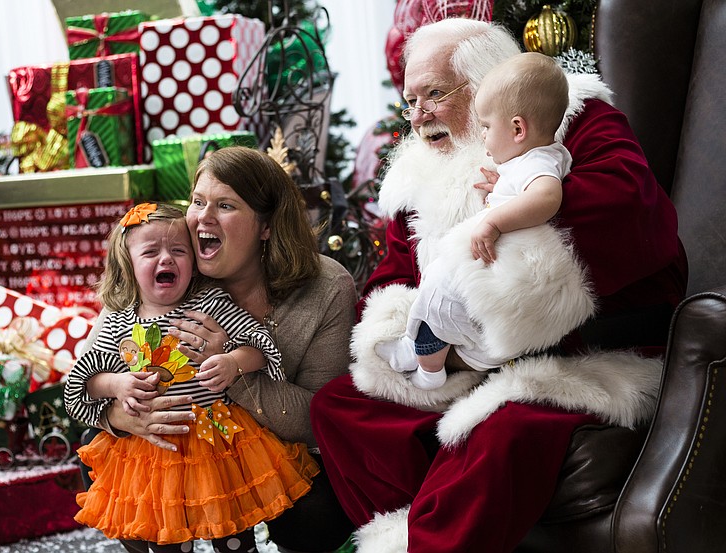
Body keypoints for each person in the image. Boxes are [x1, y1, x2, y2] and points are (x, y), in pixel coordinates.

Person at [310, 17, 687, 553]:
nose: (417, 117)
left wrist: (492, 277)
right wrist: (415, 343)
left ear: (489, 83)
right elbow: (394, 275)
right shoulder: (421, 173)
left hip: (578, 355)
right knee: (338, 406)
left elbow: (629, 208)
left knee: (502, 430)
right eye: (409, 100)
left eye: (434, 94)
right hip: (448, 360)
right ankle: (411, 529)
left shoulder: (573, 118)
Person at [72, 147, 357, 553]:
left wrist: (230, 367)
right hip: (178, 448)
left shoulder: (324, 287)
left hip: (272, 454)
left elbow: (319, 421)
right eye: (198, 202)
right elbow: (87, 376)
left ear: (266, 225)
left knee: (314, 515)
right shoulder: (162, 277)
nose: (202, 218)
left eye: (224, 205)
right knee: (101, 455)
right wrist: (124, 416)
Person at [408, 51, 575, 389]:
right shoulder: (534, 159)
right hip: (501, 288)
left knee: (439, 298)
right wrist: (505, 189)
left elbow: (546, 197)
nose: (482, 135)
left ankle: (429, 364)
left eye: (486, 126)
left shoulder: (537, 162)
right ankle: (430, 353)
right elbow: (531, 191)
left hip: (511, 281)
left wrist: (494, 221)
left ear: (517, 128)